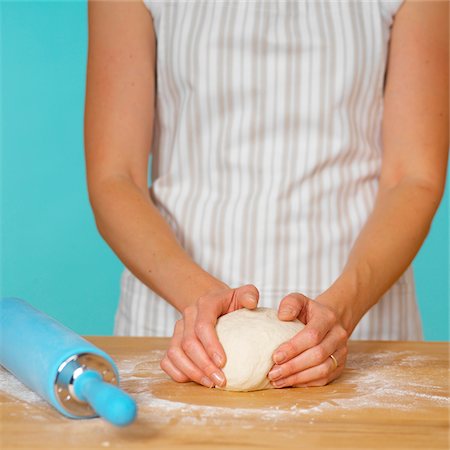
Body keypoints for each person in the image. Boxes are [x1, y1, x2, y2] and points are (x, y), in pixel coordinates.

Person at [84, 0, 448, 390]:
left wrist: (342, 309)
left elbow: (412, 178)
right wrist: (202, 303)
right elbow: (115, 177)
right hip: (180, 331)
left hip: (361, 331)